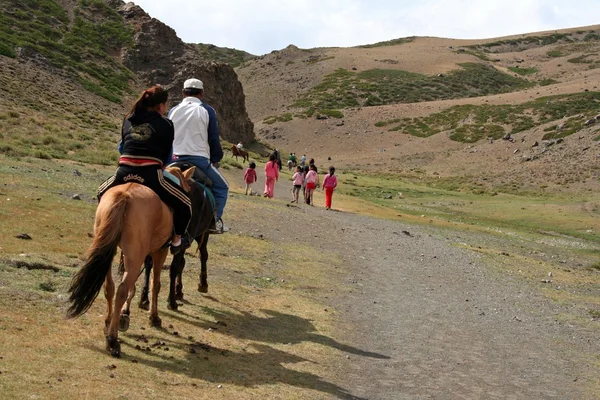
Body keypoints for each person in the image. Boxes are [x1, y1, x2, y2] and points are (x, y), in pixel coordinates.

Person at [97, 85, 191, 254]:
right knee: (185, 203)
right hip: (151, 175)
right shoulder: (166, 124)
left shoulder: (128, 119)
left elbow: (122, 147)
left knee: (101, 193)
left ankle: (102, 228)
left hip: (123, 172)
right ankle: (176, 241)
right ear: (161, 106)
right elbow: (167, 157)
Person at [168, 78, 229, 233]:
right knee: (223, 187)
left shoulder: (173, 110)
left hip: (174, 159)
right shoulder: (207, 110)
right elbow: (213, 138)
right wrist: (216, 158)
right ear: (201, 93)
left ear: (183, 92)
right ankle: (214, 222)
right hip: (199, 160)